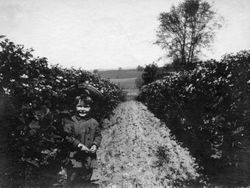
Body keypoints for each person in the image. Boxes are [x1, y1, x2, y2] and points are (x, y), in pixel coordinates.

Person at [62, 92, 102, 186]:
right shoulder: (70, 121)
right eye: (79, 106)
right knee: (72, 178)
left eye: (86, 106)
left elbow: (98, 135)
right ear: (75, 106)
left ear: (91, 108)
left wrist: (95, 145)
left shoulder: (94, 122)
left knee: (86, 178)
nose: (82, 109)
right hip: (74, 156)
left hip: (88, 156)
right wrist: (78, 145)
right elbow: (67, 137)